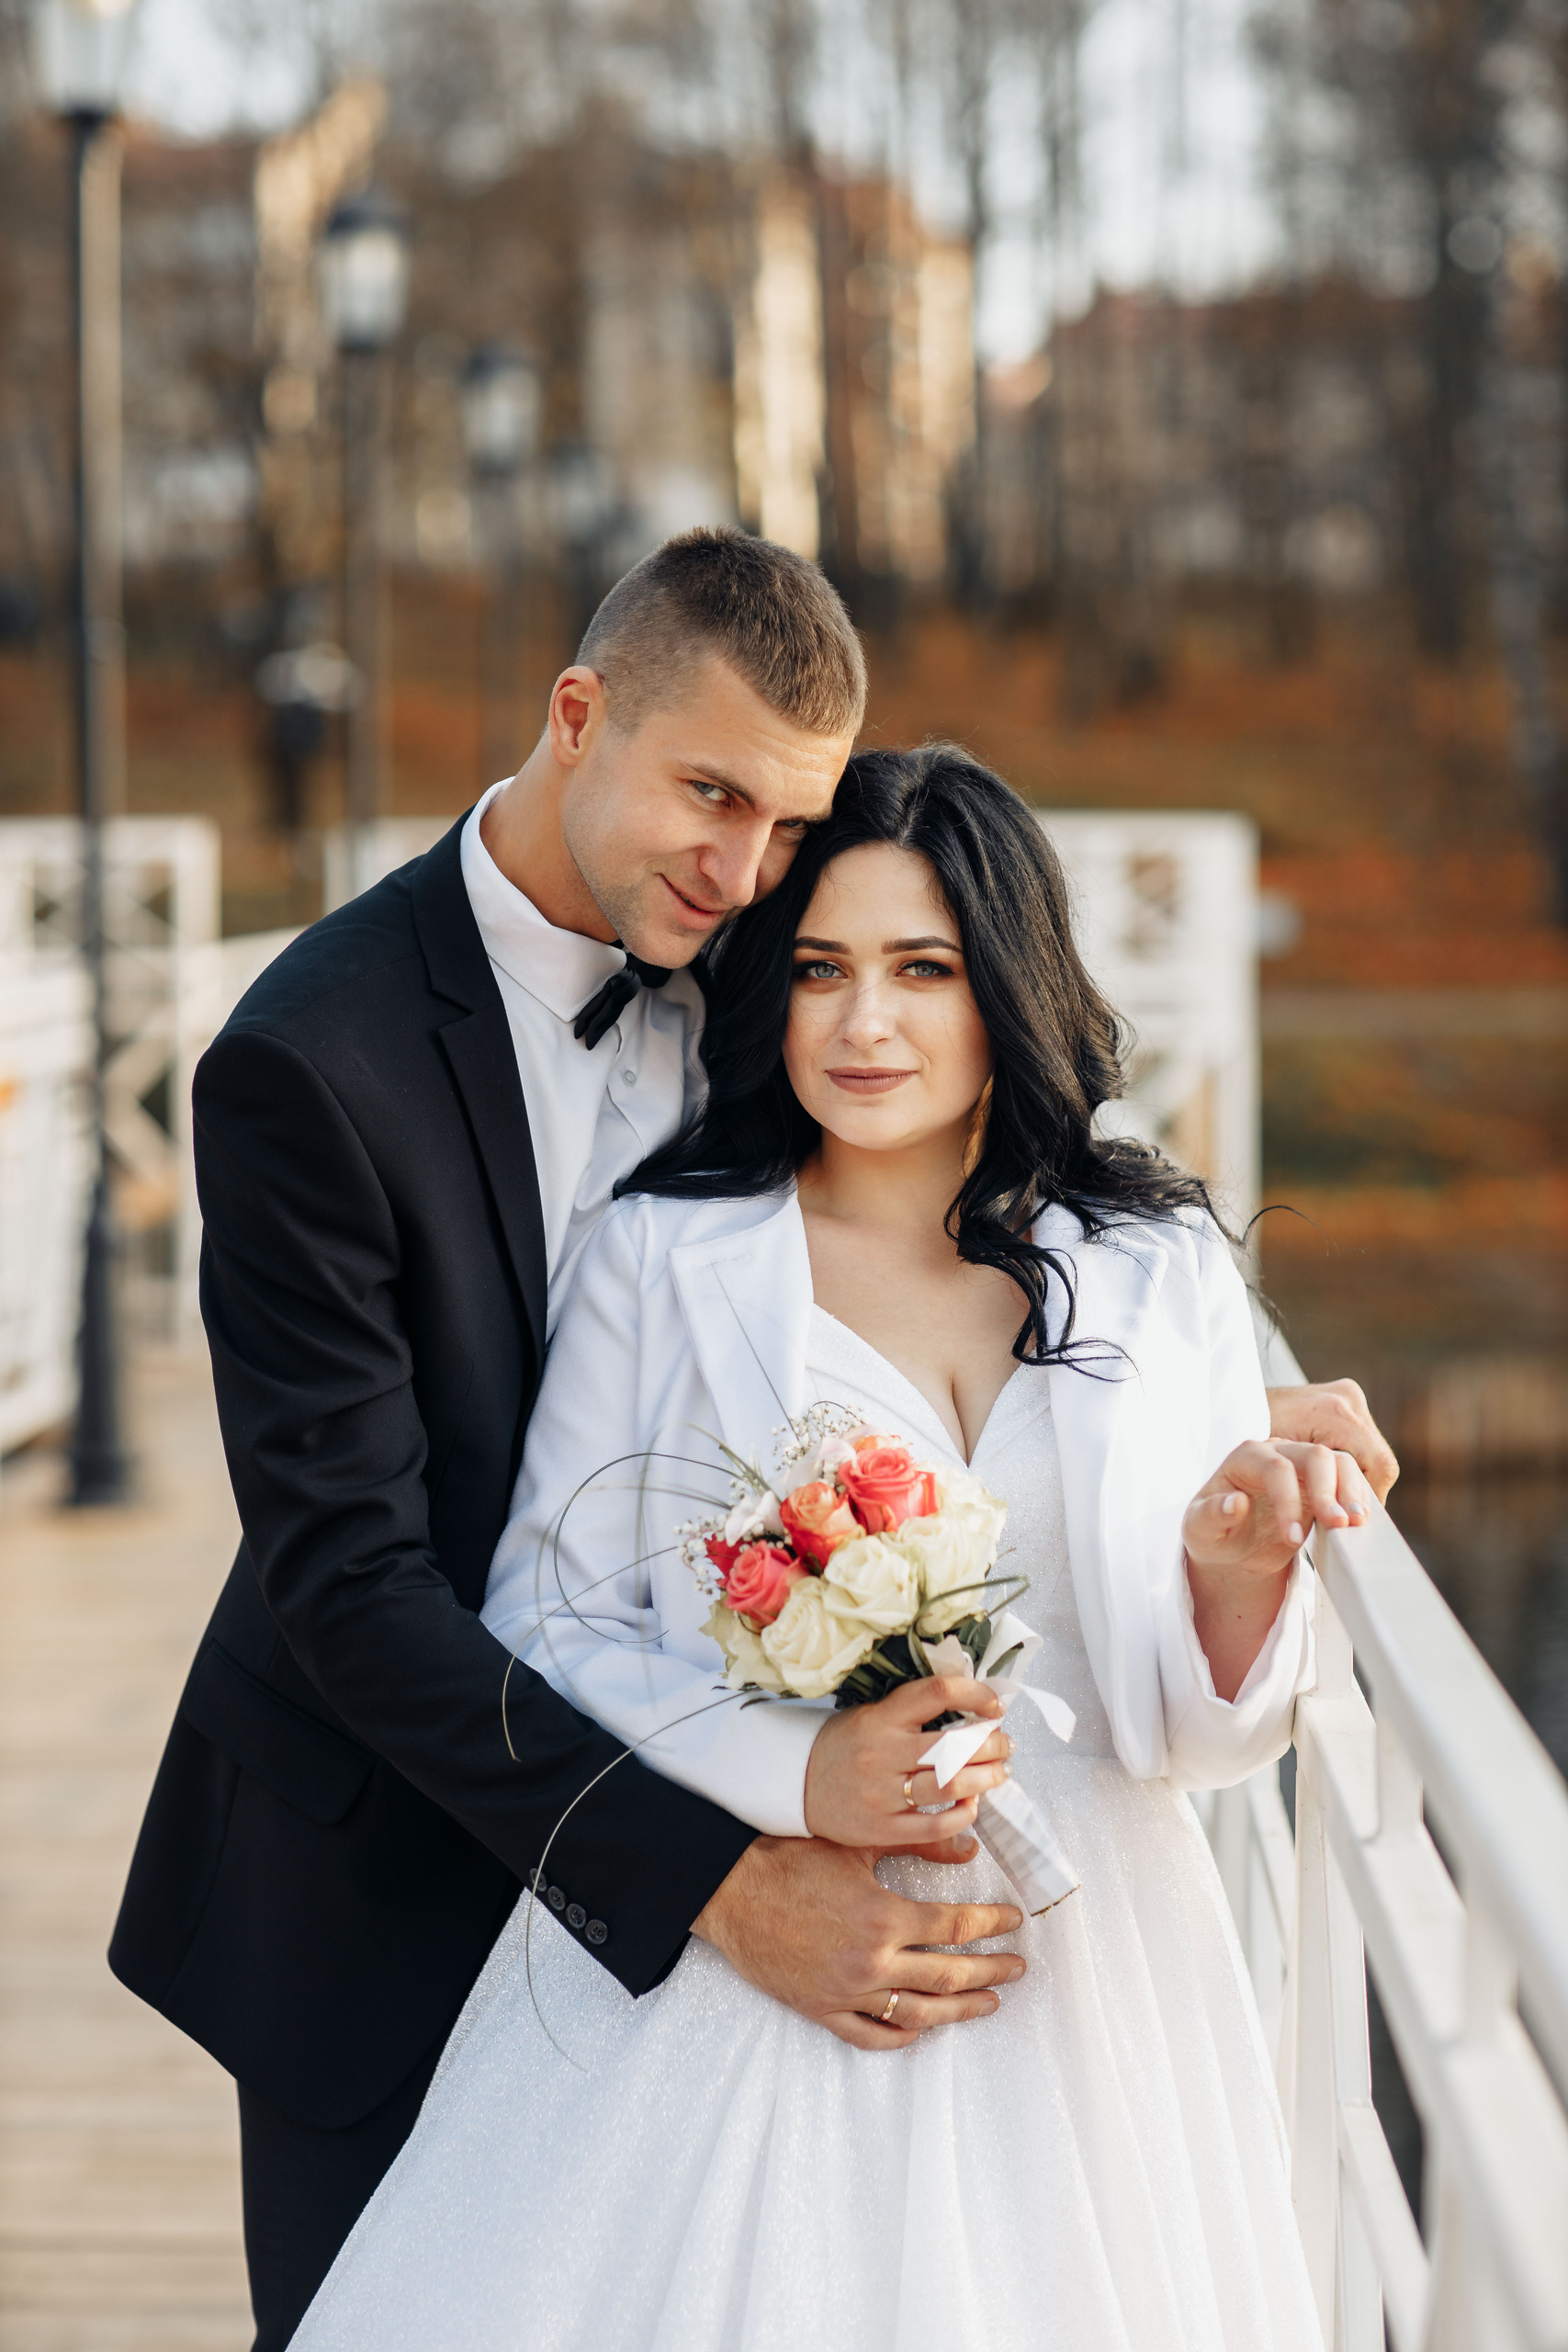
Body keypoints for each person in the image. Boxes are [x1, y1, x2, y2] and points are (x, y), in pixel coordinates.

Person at [288, 744, 1372, 2350]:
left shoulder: (1154, 1273)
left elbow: (1192, 1736)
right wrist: (804, 1785)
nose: (866, 1025)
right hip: (758, 1925)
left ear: (1005, 985)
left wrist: (1233, 1578)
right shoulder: (663, 1252)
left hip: (1090, 1971)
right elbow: (548, 1615)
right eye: (820, 970)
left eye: (922, 971)